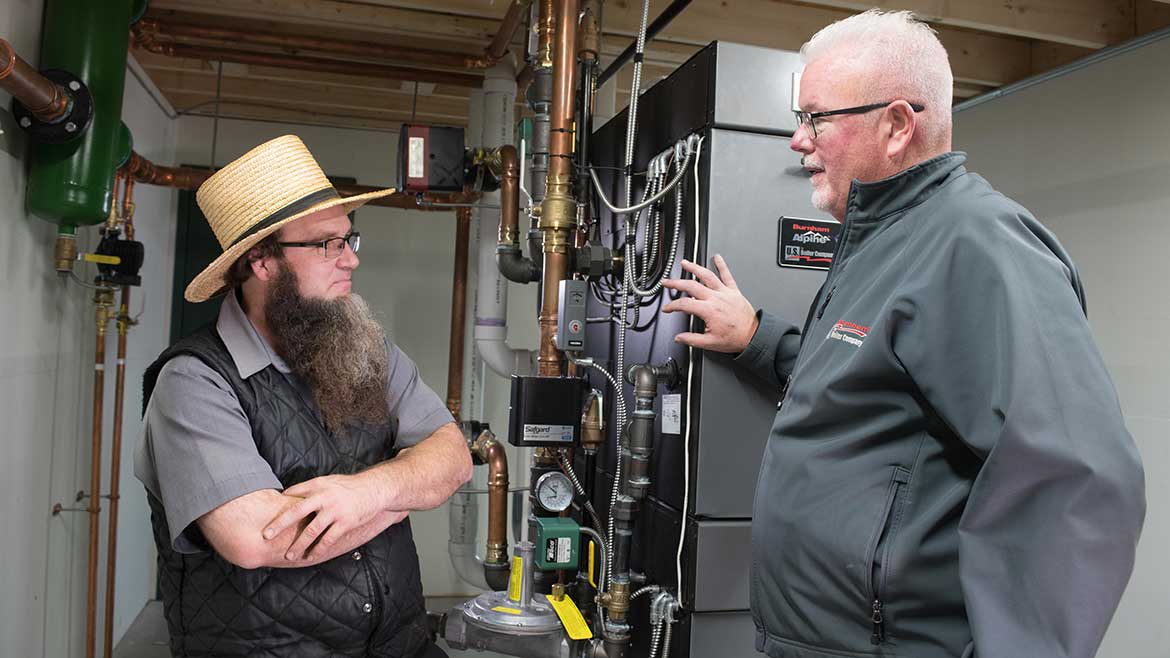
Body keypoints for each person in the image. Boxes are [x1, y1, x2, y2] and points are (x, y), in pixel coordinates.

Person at [662, 10, 1145, 658]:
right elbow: (867, 387)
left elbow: (1077, 479)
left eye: (816, 118)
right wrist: (756, 336)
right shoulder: (882, 239)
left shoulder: (977, 244)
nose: (797, 141)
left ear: (896, 125)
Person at [135, 135, 472, 658]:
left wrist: (368, 494)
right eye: (326, 244)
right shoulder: (194, 382)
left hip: (402, 644)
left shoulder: (366, 346)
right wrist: (405, 495)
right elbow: (258, 540)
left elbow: (452, 458)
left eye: (348, 240)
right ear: (263, 261)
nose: (349, 261)